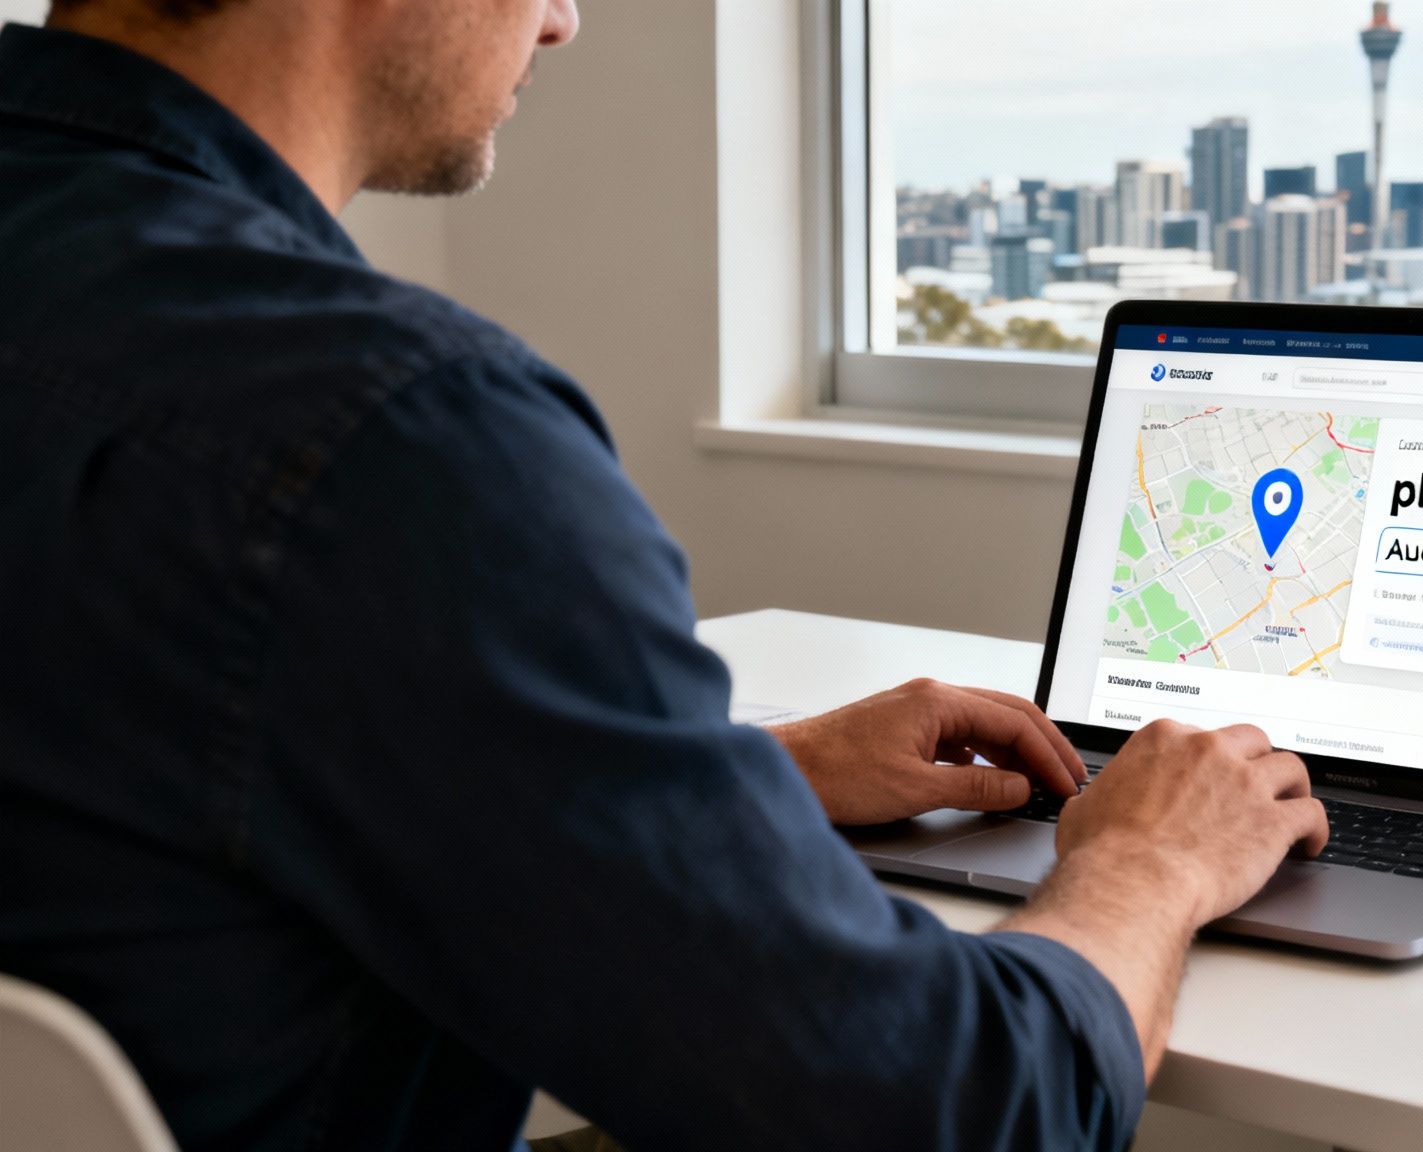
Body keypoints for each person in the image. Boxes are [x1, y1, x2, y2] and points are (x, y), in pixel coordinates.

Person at [0, 2, 1329, 1149]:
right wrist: (1150, 864)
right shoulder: (397, 437)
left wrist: (720, 783)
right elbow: (953, 1114)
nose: (564, 20)